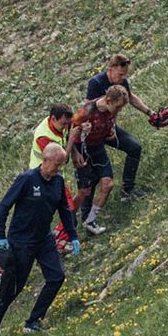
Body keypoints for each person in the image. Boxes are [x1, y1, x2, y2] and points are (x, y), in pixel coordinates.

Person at [0, 143, 81, 336]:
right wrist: (1, 234)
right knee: (14, 288)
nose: (58, 169)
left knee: (56, 277)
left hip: (44, 240)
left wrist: (72, 235)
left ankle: (33, 321)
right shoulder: (27, 179)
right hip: (21, 242)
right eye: (57, 164)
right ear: (46, 160)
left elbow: (64, 210)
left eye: (62, 166)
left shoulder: (58, 182)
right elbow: (4, 206)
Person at [85, 53, 154, 202]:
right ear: (111, 69)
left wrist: (149, 113)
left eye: (125, 75)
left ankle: (128, 190)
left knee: (134, 148)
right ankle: (86, 209)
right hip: (92, 133)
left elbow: (131, 98)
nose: (122, 78)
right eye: (120, 74)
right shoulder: (95, 83)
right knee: (92, 176)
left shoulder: (122, 82)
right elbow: (88, 109)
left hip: (110, 128)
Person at [68, 85, 129, 235]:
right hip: (83, 150)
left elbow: (112, 117)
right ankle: (67, 227)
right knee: (84, 190)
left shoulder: (111, 110)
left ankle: (90, 220)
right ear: (108, 100)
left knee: (108, 185)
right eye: (117, 107)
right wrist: (74, 153)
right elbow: (68, 131)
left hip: (98, 148)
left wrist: (112, 129)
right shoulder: (86, 111)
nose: (118, 110)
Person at [27, 103, 77, 251]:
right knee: (57, 212)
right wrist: (72, 140)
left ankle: (58, 242)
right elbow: (62, 159)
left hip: (53, 176)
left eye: (68, 123)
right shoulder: (43, 137)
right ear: (53, 118)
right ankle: (55, 242)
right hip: (42, 179)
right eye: (64, 124)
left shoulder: (56, 123)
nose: (66, 127)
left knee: (68, 209)